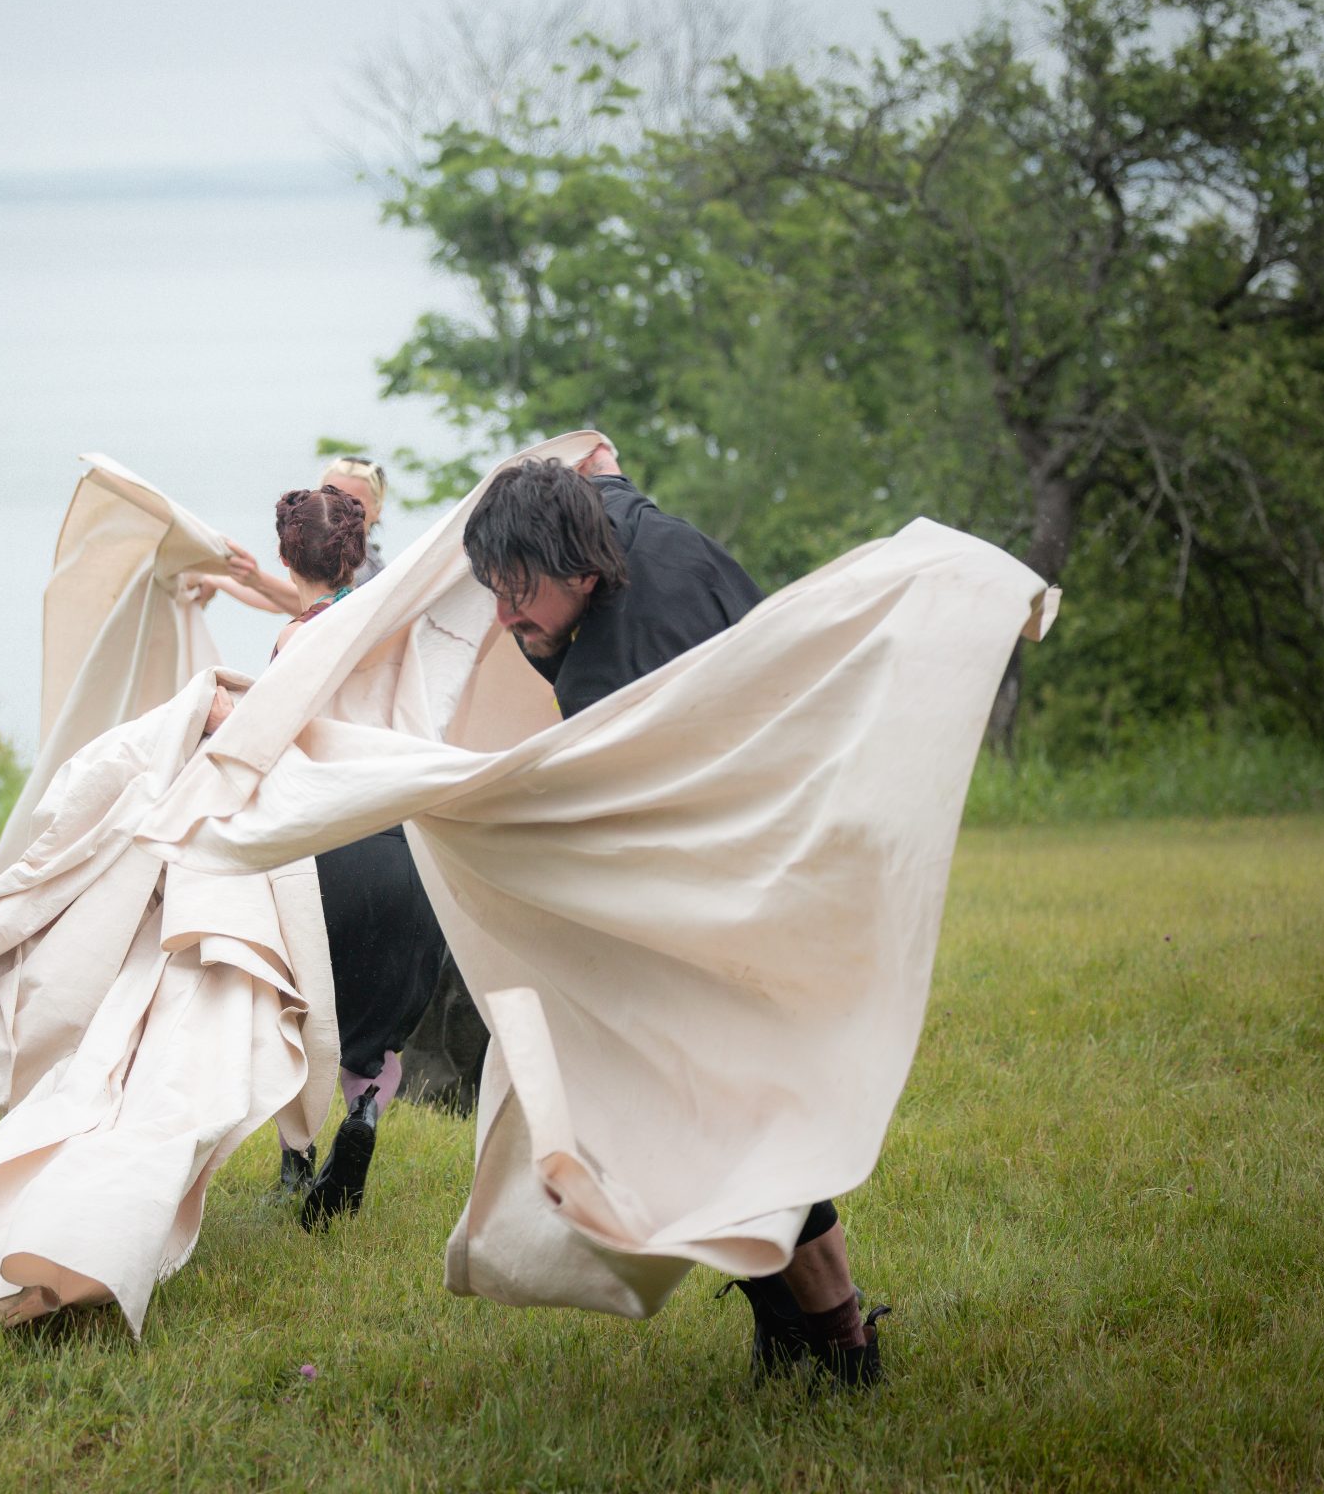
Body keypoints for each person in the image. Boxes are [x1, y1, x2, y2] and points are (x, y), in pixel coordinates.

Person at [459, 445, 888, 1393]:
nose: (504, 617)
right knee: (724, 1115)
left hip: (746, 880)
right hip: (755, 848)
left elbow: (656, 825)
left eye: (518, 592)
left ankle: (841, 1344)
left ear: (580, 570)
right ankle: (800, 1331)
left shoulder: (629, 657)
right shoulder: (620, 523)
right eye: (492, 588)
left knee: (742, 1119)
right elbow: (600, 470)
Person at [261, 484, 446, 1229]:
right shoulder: (392, 632)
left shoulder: (293, 641)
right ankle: (364, 1116)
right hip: (405, 853)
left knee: (300, 1013)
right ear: (358, 552)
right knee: (373, 1038)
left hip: (326, 854)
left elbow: (268, 745)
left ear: (286, 554)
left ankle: (295, 1165)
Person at [208, 455, 391, 614]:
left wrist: (256, 579)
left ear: (377, 510)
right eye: (332, 495)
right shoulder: (328, 556)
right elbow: (279, 600)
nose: (342, 507)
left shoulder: (364, 565)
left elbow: (317, 607)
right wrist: (213, 577)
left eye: (354, 501)